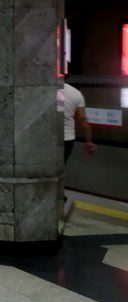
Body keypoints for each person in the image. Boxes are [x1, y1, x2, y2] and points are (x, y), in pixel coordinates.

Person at [63, 81, 97, 219]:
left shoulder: (53, 90)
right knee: (58, 170)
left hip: (51, 139)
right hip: (68, 139)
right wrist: (88, 141)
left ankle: (63, 201)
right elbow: (82, 119)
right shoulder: (76, 93)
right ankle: (62, 201)